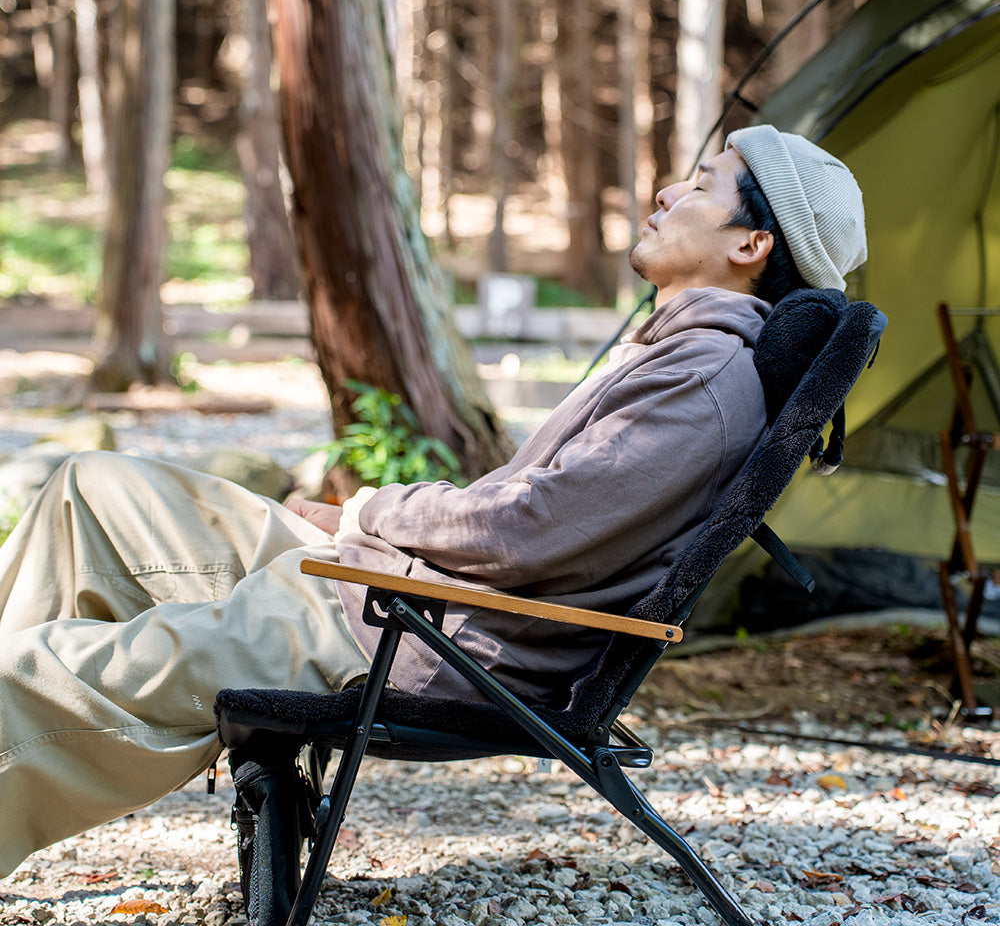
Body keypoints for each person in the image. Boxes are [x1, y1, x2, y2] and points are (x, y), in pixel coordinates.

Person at [0, 125, 866, 877]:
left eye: (703, 184)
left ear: (751, 245)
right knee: (92, 489)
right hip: (392, 586)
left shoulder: (700, 382)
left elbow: (525, 531)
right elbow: (532, 515)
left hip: (413, 633)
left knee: (45, 676)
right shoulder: (679, 356)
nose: (668, 190)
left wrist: (371, 511)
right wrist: (359, 526)